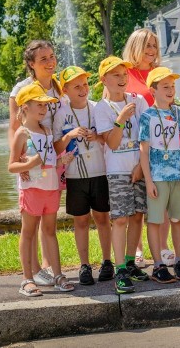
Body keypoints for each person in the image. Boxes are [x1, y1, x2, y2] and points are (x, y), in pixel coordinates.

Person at [8, 40, 66, 286]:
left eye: (52, 56)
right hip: (30, 157)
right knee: (30, 221)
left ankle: (47, 267)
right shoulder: (21, 89)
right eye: (43, 59)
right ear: (31, 64)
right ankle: (30, 273)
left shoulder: (58, 88)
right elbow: (14, 127)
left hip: (53, 158)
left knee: (49, 217)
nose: (50, 62)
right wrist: (21, 160)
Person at [9, 82, 75, 296]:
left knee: (50, 232)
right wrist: (28, 164)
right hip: (31, 189)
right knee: (28, 232)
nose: (43, 108)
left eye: (45, 105)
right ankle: (26, 279)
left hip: (50, 188)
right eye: (39, 104)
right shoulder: (22, 134)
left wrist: (61, 160)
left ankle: (57, 274)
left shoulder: (47, 131)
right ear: (25, 106)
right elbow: (12, 166)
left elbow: (50, 162)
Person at [52, 66, 114, 285]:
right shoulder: (61, 115)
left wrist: (96, 137)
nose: (83, 89)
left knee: (103, 218)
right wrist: (69, 135)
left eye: (85, 84)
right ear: (65, 90)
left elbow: (109, 138)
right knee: (81, 221)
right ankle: (85, 265)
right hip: (75, 175)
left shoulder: (98, 108)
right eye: (76, 86)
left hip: (100, 172)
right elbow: (56, 146)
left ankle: (107, 261)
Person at [94, 56, 149, 294]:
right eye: (115, 75)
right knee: (120, 219)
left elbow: (146, 137)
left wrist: (141, 166)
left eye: (124, 74)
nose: (122, 79)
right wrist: (121, 119)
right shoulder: (102, 108)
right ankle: (120, 271)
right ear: (104, 79)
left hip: (138, 168)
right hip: (117, 171)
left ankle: (129, 262)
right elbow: (113, 144)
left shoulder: (138, 101)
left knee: (138, 216)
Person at [122, 29, 170, 267]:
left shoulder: (159, 74)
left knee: (163, 198)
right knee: (138, 202)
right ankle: (138, 250)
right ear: (135, 46)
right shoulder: (125, 74)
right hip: (134, 145)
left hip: (163, 146)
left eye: (154, 46)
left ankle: (163, 247)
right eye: (147, 45)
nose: (151, 50)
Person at [138, 67, 180, 283]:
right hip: (158, 177)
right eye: (165, 87)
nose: (170, 90)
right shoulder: (147, 116)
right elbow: (143, 149)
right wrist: (148, 179)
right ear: (153, 90)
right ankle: (158, 264)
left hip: (177, 175)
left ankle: (179, 260)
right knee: (155, 221)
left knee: (177, 219)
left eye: (172, 86)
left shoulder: (179, 113)